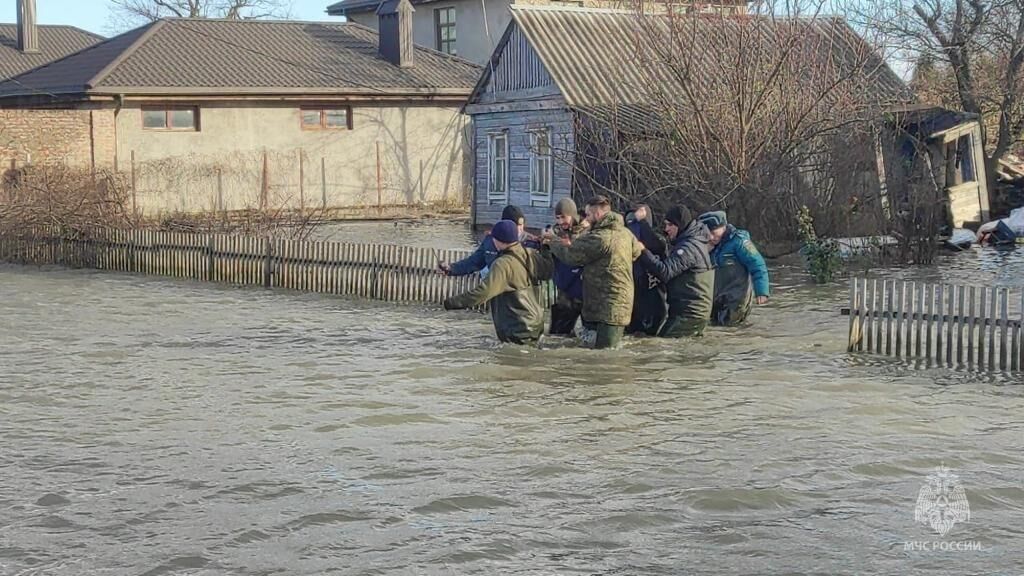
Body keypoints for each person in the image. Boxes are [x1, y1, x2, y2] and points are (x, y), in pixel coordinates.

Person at [545, 195, 642, 349]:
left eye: (589, 215)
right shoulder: (625, 233)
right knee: (594, 352)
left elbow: (570, 255)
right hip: (612, 305)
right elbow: (637, 251)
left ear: (598, 215)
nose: (587, 219)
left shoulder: (600, 238)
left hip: (609, 308)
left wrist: (551, 241)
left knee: (605, 355)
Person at [443, 220, 553, 344]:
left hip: (517, 330)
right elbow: (548, 271)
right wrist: (545, 247)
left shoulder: (502, 264)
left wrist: (452, 302)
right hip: (535, 325)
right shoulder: (529, 253)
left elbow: (483, 293)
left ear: (499, 240)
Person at [636, 205, 714, 337]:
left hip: (689, 315)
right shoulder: (694, 241)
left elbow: (665, 272)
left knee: (661, 348)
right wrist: (643, 223)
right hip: (694, 313)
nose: (666, 229)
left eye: (670, 225)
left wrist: (642, 251)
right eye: (665, 224)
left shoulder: (688, 248)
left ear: (680, 225)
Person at [698, 211, 770, 326]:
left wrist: (762, 291)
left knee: (729, 330)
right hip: (716, 298)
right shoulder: (708, 245)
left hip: (736, 298)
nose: (711, 237)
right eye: (707, 233)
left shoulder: (739, 241)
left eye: (713, 232)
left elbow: (757, 264)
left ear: (723, 227)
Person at [439, 205, 534, 279]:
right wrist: (451, 268)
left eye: (521, 225)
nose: (519, 229)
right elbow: (474, 262)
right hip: (494, 294)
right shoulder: (490, 241)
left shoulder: (530, 243)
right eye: (515, 225)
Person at [625, 204, 667, 335]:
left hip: (653, 302)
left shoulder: (658, 241)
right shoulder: (624, 243)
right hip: (632, 302)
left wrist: (642, 222)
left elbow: (657, 246)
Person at [547, 198, 586, 336]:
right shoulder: (555, 232)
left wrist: (554, 241)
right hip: (564, 291)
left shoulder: (587, 232)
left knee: (589, 336)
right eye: (557, 218)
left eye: (563, 217)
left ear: (573, 215)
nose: (560, 221)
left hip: (584, 292)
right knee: (557, 335)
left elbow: (575, 254)